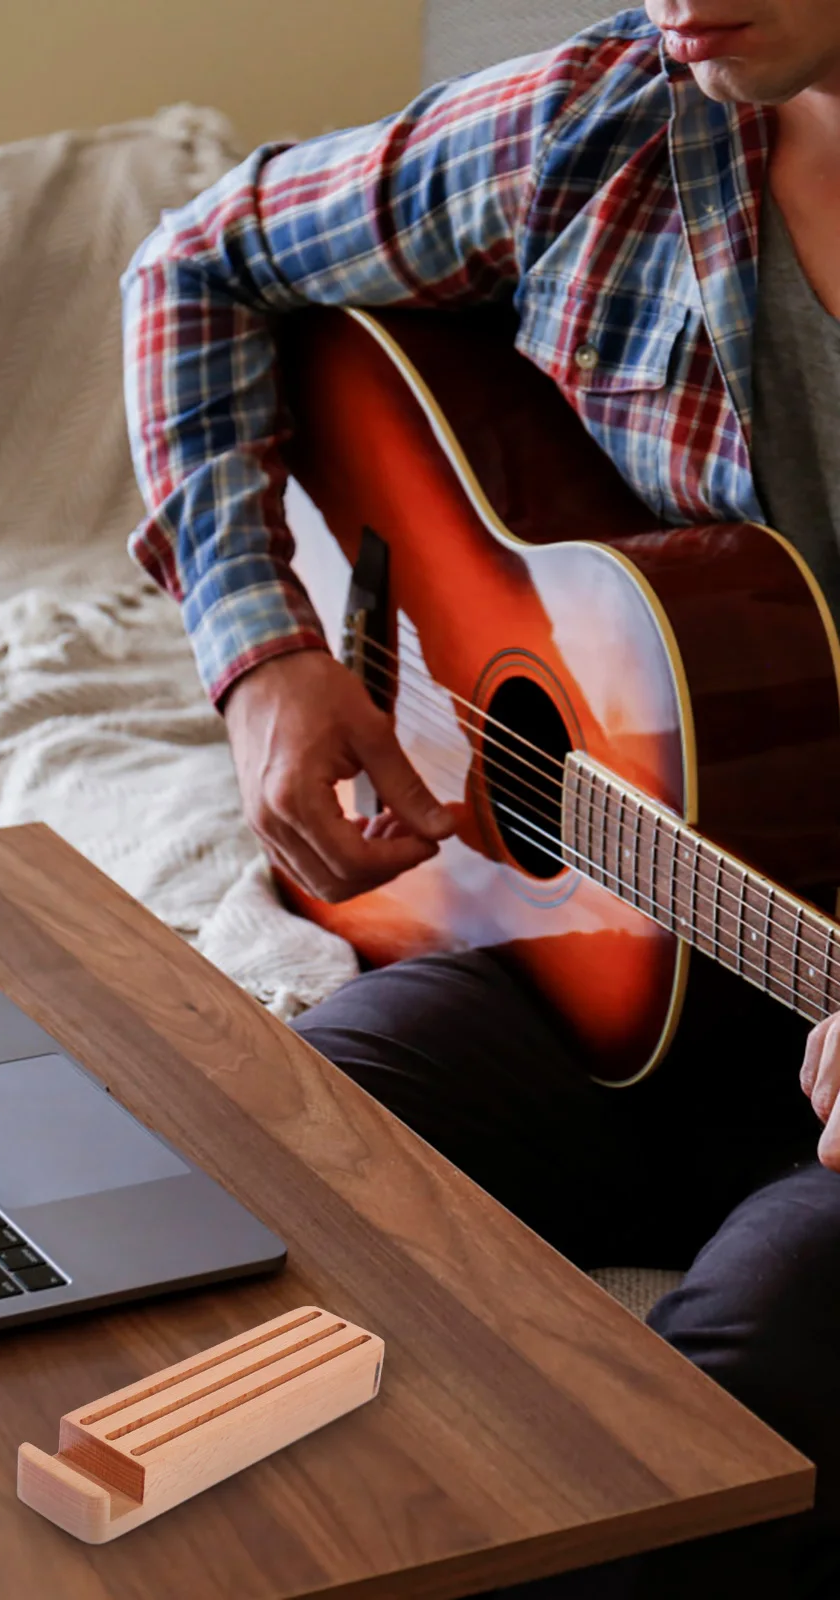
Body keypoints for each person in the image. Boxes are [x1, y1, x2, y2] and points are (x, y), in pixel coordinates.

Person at [122, 5, 840, 1595]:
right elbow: (193, 267)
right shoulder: (604, 120)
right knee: (248, 1170)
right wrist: (264, 660)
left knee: (725, 1417)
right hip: (609, 954)